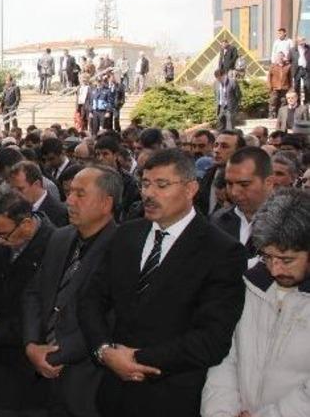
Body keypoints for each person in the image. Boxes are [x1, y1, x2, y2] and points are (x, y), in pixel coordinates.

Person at [78, 149, 247, 417]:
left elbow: (212, 339)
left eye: (162, 185)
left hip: (171, 398)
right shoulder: (126, 234)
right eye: (145, 184)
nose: (148, 194)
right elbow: (90, 300)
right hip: (112, 394)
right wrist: (104, 351)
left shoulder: (222, 251)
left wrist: (136, 359)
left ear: (191, 188)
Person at [202, 188, 310, 417]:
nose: (275, 268)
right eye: (267, 256)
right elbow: (225, 356)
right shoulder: (247, 281)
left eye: (286, 259)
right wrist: (220, 411)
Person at [23, 165, 121, 417]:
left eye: (80, 194)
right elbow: (35, 292)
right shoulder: (60, 238)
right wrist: (32, 344)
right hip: (42, 375)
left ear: (106, 203)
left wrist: (55, 355)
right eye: (69, 193)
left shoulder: (122, 247)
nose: (69, 201)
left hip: (87, 379)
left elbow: (112, 315)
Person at [0, 190, 55, 416]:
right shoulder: (1, 241)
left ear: (27, 224)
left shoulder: (55, 246)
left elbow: (43, 309)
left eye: (4, 235)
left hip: (29, 368)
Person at [211, 146, 274, 265]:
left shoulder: (294, 222)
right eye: (229, 183)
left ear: (268, 183)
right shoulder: (218, 221)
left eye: (244, 184)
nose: (234, 192)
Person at [196, 130, 246, 216]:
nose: (217, 150)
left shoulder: (245, 180)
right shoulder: (208, 174)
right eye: (216, 145)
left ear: (238, 151)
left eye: (224, 146)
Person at [8, 161, 69, 227]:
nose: (15, 193)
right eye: (13, 189)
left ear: (37, 184)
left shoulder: (59, 213)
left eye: (20, 189)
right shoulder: (14, 210)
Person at [268, 52, 292, 118]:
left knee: (283, 101)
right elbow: (269, 77)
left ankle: (282, 115)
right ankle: (271, 114)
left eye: (281, 56)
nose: (280, 58)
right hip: (275, 87)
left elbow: (290, 78)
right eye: (278, 56)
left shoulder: (288, 66)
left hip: (285, 87)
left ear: (284, 57)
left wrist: (290, 87)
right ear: (276, 58)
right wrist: (270, 86)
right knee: (273, 101)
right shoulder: (272, 66)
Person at [290, 36, 310, 105]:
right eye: (300, 41)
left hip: (306, 69)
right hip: (297, 70)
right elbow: (289, 60)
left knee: (308, 86)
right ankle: (297, 103)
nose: (302, 42)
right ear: (297, 42)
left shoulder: (308, 48)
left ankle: (307, 102)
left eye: (303, 41)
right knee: (296, 87)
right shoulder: (292, 50)